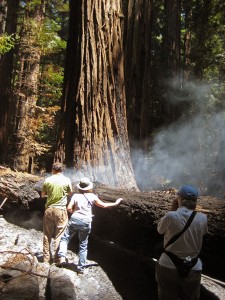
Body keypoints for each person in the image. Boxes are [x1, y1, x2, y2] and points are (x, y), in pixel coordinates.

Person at [57, 177, 123, 274]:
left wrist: (74, 211)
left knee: (65, 238)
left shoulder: (75, 196)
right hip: (86, 221)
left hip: (75, 219)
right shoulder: (92, 196)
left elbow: (69, 208)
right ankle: (80, 269)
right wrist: (116, 203)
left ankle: (62, 257)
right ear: (89, 187)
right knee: (83, 245)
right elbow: (104, 205)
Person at [156, 185, 208, 300]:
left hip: (168, 264)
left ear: (179, 198)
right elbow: (204, 233)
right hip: (193, 266)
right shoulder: (202, 218)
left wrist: (173, 210)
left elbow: (160, 230)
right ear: (195, 201)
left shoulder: (171, 216)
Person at [41, 162, 72, 263]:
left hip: (49, 209)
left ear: (53, 170)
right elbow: (70, 193)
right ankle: (56, 258)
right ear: (62, 170)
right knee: (60, 234)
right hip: (61, 210)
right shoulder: (67, 180)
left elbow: (42, 195)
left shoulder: (47, 180)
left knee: (47, 234)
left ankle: (46, 258)